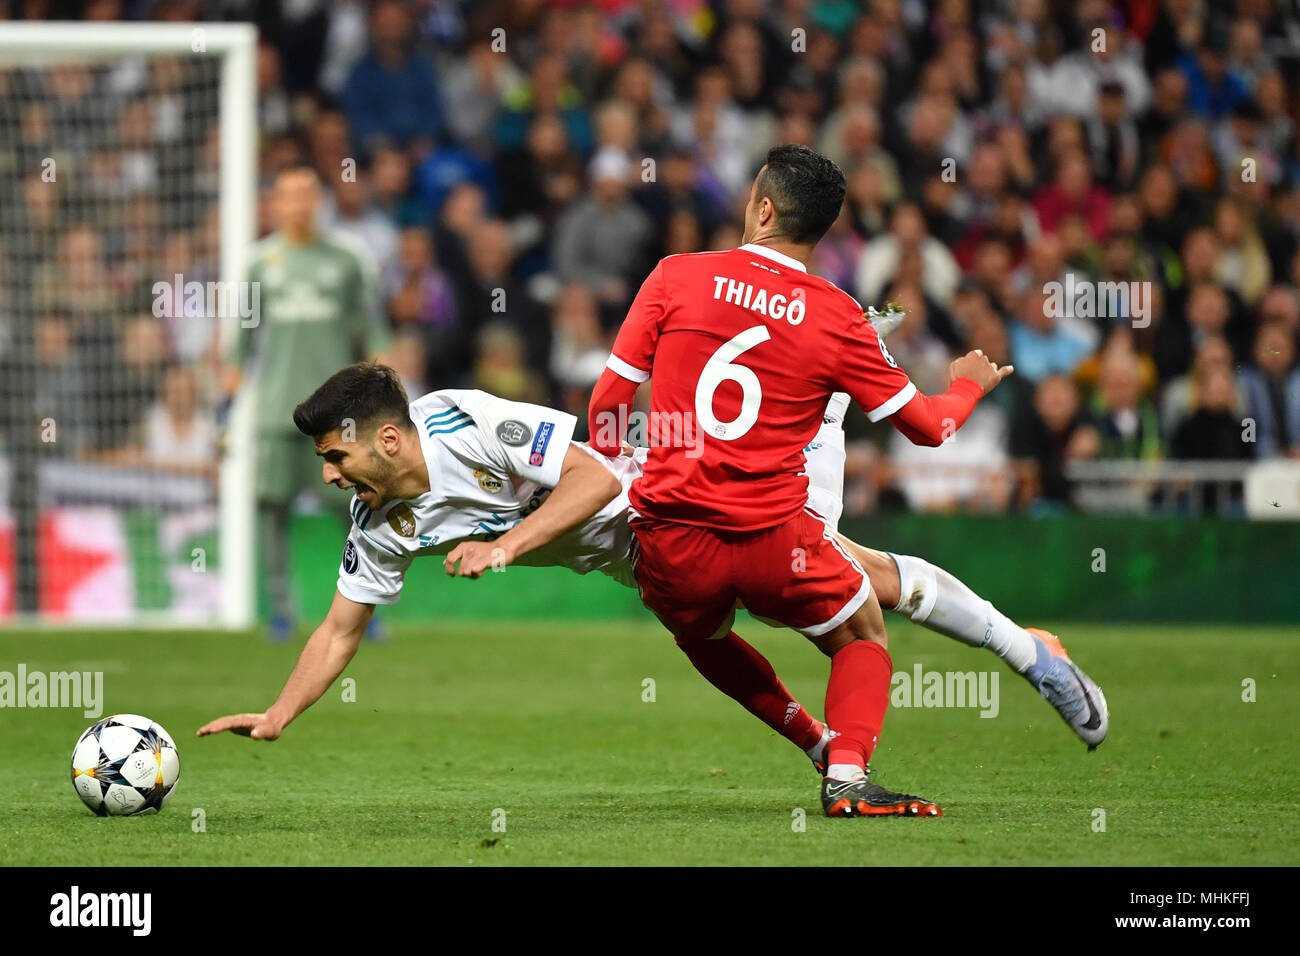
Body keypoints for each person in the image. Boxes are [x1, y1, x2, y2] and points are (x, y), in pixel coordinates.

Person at [196, 364, 1107, 787]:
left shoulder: (468, 425)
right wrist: (280, 714)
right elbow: (339, 626)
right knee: (714, 637)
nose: (327, 475)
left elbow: (594, 472)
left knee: (852, 579)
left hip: (681, 495)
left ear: (387, 437)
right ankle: (835, 746)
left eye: (333, 455)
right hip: (649, 562)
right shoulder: (378, 515)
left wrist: (509, 546)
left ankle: (1025, 650)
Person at [585, 144, 1108, 817]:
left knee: (703, 634)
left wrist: (631, 470)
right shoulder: (838, 315)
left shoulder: (675, 276)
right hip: (776, 537)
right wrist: (968, 388)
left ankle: (1015, 661)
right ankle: (852, 771)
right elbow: (928, 428)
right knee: (864, 627)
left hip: (674, 536)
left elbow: (606, 406)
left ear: (764, 208)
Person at [225, 163, 389, 640]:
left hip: (339, 418)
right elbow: (241, 343)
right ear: (274, 204)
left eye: (306, 194)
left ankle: (363, 609)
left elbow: (371, 332)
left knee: (355, 509)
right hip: (277, 411)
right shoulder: (259, 263)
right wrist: (225, 405)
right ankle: (280, 611)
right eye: (287, 195)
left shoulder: (346, 259)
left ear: (318, 201)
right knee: (273, 508)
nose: (297, 204)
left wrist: (388, 400)